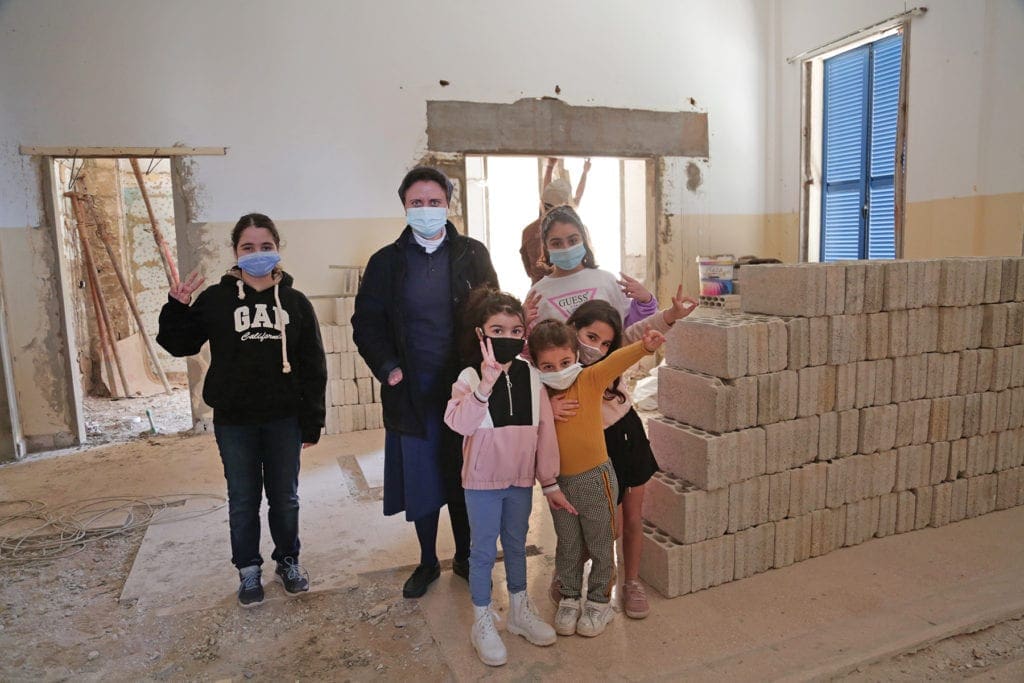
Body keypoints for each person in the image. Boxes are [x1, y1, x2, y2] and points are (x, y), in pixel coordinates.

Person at [157, 213, 327, 607]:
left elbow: (313, 365)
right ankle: (248, 570)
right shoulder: (216, 300)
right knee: (243, 499)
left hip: (284, 420)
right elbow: (178, 343)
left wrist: (312, 421)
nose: (257, 254)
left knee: (285, 497)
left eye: (265, 246)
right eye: (248, 247)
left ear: (277, 249)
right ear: (235, 253)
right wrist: (176, 306)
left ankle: (288, 561)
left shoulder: (296, 303)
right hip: (234, 422)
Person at [352, 166, 499, 599]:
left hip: (464, 387)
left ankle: (467, 556)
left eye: (434, 202)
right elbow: (367, 323)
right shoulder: (386, 262)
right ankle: (428, 560)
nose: (426, 210)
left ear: (448, 204)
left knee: (463, 473)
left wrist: (487, 371)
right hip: (411, 389)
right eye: (416, 202)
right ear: (404, 207)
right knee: (422, 478)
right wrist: (388, 367)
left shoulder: (472, 254)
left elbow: (492, 311)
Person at [444, 288, 576, 666]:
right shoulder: (469, 376)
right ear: (480, 334)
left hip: (520, 480)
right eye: (496, 329)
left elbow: (545, 431)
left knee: (517, 545)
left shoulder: (533, 376)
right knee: (483, 551)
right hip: (482, 482)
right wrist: (485, 386)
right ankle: (482, 620)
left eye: (516, 331)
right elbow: (458, 423)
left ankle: (519, 611)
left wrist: (548, 480)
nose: (507, 337)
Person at [561, 287, 698, 619]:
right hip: (591, 449)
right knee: (608, 526)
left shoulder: (614, 355)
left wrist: (671, 315)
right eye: (590, 336)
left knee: (634, 519)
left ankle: (631, 582)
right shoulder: (557, 362)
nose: (597, 347)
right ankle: (568, 576)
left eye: (606, 343)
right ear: (574, 328)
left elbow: (642, 332)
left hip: (627, 435)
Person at [527, 319, 665, 637]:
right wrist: (544, 404)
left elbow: (617, 359)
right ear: (535, 365)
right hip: (558, 485)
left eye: (564, 361)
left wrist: (646, 346)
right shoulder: (538, 394)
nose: (558, 369)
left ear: (577, 355)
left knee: (602, 542)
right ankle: (571, 598)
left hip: (595, 478)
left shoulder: (590, 379)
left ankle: (599, 602)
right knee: (569, 545)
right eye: (547, 365)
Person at [527, 205, 657, 328]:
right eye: (556, 243)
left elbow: (630, 329)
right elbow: (533, 342)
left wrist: (646, 302)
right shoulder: (538, 293)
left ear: (583, 239)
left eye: (573, 240)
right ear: (545, 246)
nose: (566, 248)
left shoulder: (606, 280)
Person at [520, 157, 591, 284]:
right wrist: (585, 173)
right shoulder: (571, 226)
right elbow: (578, 197)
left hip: (540, 287)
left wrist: (550, 167)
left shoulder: (528, 231)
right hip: (568, 283)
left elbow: (528, 269)